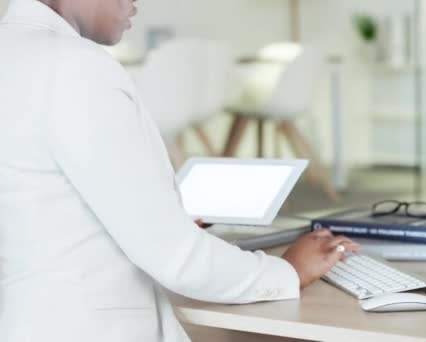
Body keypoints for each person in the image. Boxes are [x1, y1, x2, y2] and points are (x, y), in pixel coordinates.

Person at [0, 0, 359, 341]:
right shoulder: (76, 67)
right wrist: (287, 271)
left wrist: (158, 219)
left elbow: (44, 208)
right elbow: (175, 259)